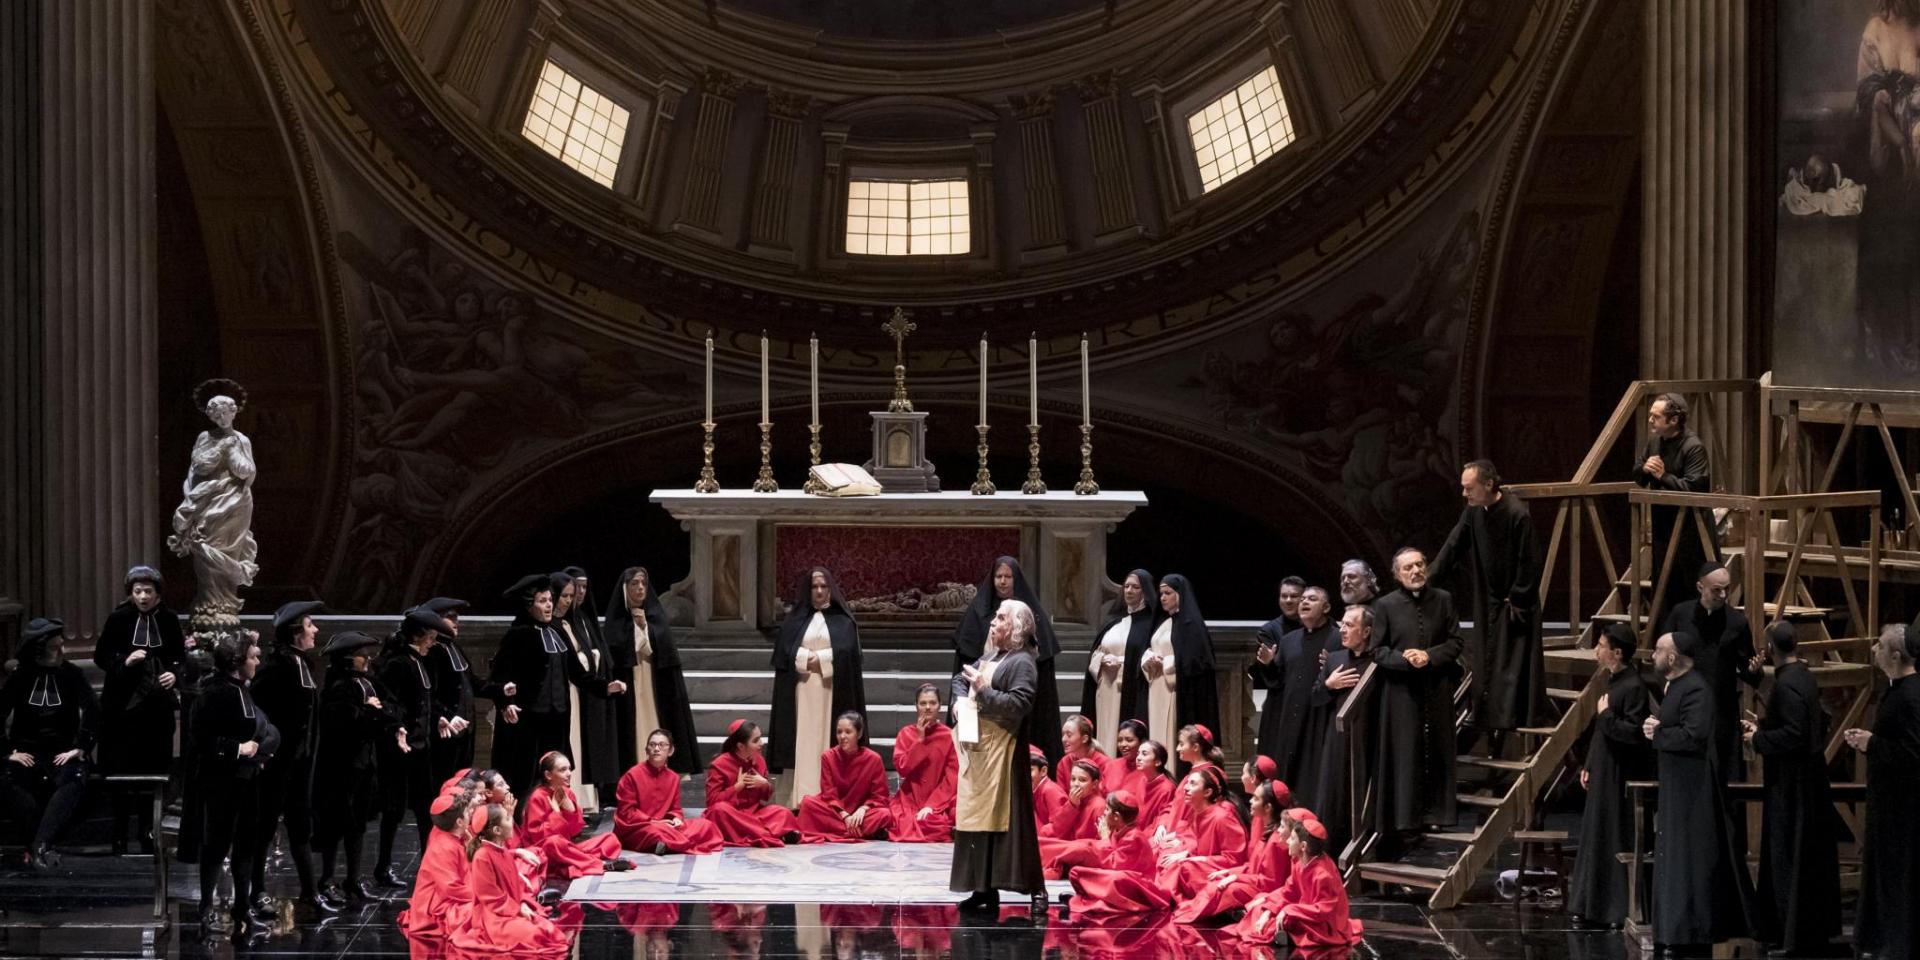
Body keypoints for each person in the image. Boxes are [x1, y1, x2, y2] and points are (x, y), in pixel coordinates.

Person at [1643, 631, 1755, 953]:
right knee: (1674, 858)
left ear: (1673, 657)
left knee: (1688, 860)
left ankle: (1689, 931)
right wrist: (1657, 728)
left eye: (1658, 650)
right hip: (1677, 786)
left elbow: (1694, 735)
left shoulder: (1697, 689)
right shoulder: (1676, 687)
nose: (1653, 655)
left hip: (1692, 790)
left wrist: (1658, 733)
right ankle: (1673, 931)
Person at [1428, 459, 1547, 743]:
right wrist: (1428, 579)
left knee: (1512, 661)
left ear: (1489, 484)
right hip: (1489, 599)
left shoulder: (1517, 514)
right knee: (1487, 659)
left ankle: (1512, 717)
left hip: (1514, 601)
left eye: (1469, 488)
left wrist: (1519, 596)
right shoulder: (1473, 513)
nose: (1464, 494)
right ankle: (1487, 716)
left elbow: (1529, 561)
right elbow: (1453, 545)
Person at [1744, 621, 1839, 954]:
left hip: (1792, 786)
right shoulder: (1802, 677)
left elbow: (1796, 735)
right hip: (1803, 781)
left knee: (1789, 858)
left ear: (1770, 649)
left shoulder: (1788, 684)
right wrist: (1764, 724)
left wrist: (1758, 738)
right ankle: (1784, 932)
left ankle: (1792, 938)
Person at [949, 597, 1047, 913]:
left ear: (1017, 627)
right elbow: (958, 681)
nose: (993, 623)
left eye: (1001, 619)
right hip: (981, 754)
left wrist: (984, 690)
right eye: (995, 618)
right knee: (979, 820)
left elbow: (1020, 704)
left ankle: (1035, 889)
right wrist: (959, 701)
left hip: (1005, 753)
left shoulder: (1022, 662)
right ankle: (983, 888)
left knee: (1012, 824)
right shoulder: (992, 655)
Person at [190, 633, 279, 939]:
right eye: (253, 656)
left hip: (247, 780)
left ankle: (242, 908)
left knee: (246, 846)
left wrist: (259, 751)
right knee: (216, 845)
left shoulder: (242, 689)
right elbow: (201, 739)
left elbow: (259, 726)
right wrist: (236, 749)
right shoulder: (214, 692)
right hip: (221, 782)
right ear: (236, 662)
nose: (258, 661)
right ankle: (205, 908)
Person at [1370, 547, 1463, 838]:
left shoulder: (1443, 600)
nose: (1416, 571)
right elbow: (1377, 650)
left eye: (1420, 565)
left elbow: (1456, 642)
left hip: (1436, 686)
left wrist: (1429, 656)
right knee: (1405, 751)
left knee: (1438, 748)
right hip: (1401, 691)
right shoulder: (1385, 605)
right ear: (1397, 574)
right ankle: (1406, 817)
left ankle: (1440, 813)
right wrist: (1406, 659)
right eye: (1408, 567)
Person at [94, 565, 186, 855]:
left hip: (155, 709)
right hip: (123, 708)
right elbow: (101, 656)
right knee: (122, 772)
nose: (143, 596)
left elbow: (179, 658)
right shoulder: (119, 618)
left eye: (148, 591)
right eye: (137, 591)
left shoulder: (169, 620)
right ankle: (119, 834)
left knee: (152, 772)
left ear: (158, 594)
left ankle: (149, 832)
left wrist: (174, 674)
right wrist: (124, 660)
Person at [1567, 623, 1653, 928]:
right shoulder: (1615, 682)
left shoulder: (1634, 687)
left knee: (1613, 833)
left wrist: (1605, 717)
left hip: (1619, 775)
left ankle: (1613, 909)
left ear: (1616, 652)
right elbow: (1600, 734)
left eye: (1601, 645)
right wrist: (1588, 764)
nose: (1596, 650)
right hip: (1604, 769)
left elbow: (1632, 734)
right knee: (1597, 834)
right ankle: (1590, 905)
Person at [250, 600, 333, 914]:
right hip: (277, 763)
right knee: (266, 826)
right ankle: (257, 891)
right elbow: (257, 709)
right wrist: (269, 746)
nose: (315, 631)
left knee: (301, 826)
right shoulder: (277, 666)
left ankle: (310, 893)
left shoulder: (304, 664)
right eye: (311, 625)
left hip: (301, 762)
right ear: (297, 632)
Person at [313, 630, 403, 905]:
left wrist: (376, 711)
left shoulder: (369, 683)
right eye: (362, 656)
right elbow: (346, 726)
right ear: (348, 659)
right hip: (341, 766)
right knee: (335, 825)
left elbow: (392, 708)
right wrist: (370, 712)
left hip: (365, 764)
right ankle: (327, 880)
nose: (367, 660)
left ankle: (353, 879)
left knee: (358, 825)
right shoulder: (339, 687)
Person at [0, 619, 97, 870]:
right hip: (27, 752)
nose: (62, 653)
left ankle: (40, 845)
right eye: (56, 648)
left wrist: (81, 747)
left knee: (74, 778)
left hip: (62, 751)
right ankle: (37, 844)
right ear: (40, 651)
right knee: (11, 780)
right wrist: (8, 753)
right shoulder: (20, 677)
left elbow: (93, 711)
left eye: (62, 646)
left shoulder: (71, 675)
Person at [1848, 621, 1920, 960]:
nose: (1873, 649)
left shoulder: (1908, 696)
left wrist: (1872, 743)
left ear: (1894, 654)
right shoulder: (1899, 690)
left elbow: (1912, 753)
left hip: (1901, 812)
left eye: (1878, 644)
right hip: (1891, 806)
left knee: (1897, 878)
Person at [769, 567, 867, 806]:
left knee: (827, 738)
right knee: (801, 742)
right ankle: (797, 799)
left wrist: (820, 659)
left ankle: (828, 798)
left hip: (830, 691)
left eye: (824, 586)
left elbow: (848, 654)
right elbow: (784, 652)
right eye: (815, 587)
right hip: (801, 691)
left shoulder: (844, 622)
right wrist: (805, 659)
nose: (820, 591)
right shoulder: (794, 620)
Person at [487, 574, 590, 801]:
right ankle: (522, 825)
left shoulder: (557, 632)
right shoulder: (518, 635)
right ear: (529, 605)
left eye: (550, 600)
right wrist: (506, 704)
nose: (549, 605)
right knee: (526, 776)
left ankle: (552, 825)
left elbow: (578, 673)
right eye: (542, 601)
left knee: (555, 776)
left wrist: (605, 687)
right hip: (528, 722)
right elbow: (499, 677)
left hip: (556, 720)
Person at [951, 557, 1063, 764]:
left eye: (1007, 577)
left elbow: (1020, 699)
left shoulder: (1023, 655)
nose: (1002, 581)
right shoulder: (980, 615)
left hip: (1008, 721)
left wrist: (984, 688)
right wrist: (960, 700)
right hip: (980, 716)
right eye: (998, 576)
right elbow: (962, 672)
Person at [1664, 562, 1761, 777]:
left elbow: (1748, 671)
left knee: (1722, 772)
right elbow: (1662, 654)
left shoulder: (1737, 622)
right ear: (1700, 587)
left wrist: (1753, 671)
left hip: (1721, 710)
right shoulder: (1681, 613)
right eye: (1717, 589)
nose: (1724, 594)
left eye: (1726, 588)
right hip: (1684, 707)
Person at [604, 567, 701, 776]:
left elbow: (662, 649)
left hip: (653, 681)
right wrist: (633, 629)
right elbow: (616, 649)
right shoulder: (616, 623)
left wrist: (644, 627)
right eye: (634, 584)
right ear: (624, 588)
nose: (640, 588)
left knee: (656, 718)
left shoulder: (656, 617)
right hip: (630, 682)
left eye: (643, 584)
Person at [448, 803, 571, 957]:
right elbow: (491, 897)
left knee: (553, 933)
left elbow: (514, 889)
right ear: (497, 830)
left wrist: (522, 904)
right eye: (507, 818)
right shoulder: (482, 856)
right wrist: (517, 909)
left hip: (511, 909)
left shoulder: (503, 852)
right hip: (494, 918)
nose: (511, 820)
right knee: (536, 936)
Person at [375, 607, 441, 888]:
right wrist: (399, 727)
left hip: (420, 745)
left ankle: (432, 862)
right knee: (394, 809)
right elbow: (391, 702)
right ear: (418, 636)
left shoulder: (418, 661)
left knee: (426, 805)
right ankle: (383, 866)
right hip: (400, 748)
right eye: (431, 638)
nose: (433, 643)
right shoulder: (399, 663)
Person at [547, 572, 624, 811]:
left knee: (576, 746)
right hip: (555, 695)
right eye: (564, 595)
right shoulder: (549, 627)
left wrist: (604, 686)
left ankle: (579, 802)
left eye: (571, 595)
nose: (568, 600)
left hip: (576, 692)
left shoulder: (572, 622)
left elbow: (577, 667)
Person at [1633, 393, 1711, 629]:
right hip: (1662, 524)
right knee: (1662, 581)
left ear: (1674, 420)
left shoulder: (1693, 446)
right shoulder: (1655, 442)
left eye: (1655, 416)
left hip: (1690, 528)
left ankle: (1689, 637)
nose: (1650, 420)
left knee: (1686, 581)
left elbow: (1693, 487)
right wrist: (1645, 470)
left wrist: (1662, 476)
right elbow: (1638, 475)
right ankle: (1661, 637)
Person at [1250, 585, 1337, 795]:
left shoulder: (1337, 639)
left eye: (1312, 599)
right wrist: (1269, 664)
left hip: (1319, 717)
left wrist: (1333, 663)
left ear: (1326, 607)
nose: (1304, 602)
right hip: (1290, 717)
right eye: (1303, 599)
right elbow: (1278, 682)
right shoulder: (1288, 641)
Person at [1172, 779, 1290, 923]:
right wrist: (1229, 873)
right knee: (1215, 880)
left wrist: (1235, 877)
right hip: (1252, 881)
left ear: (1268, 807)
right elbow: (1253, 866)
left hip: (1264, 889)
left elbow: (1270, 882)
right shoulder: (1267, 831)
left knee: (1224, 889)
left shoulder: (1276, 841)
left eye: (1256, 798)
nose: (1251, 801)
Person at [1237, 817, 1364, 948]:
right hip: (1305, 909)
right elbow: (1289, 891)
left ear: (1303, 846)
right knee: (1263, 908)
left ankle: (1283, 934)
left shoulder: (1323, 875)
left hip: (1325, 924)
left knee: (1284, 921)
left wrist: (1289, 910)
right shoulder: (1299, 862)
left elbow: (1322, 911)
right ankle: (1281, 933)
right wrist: (1271, 910)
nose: (1287, 841)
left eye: (1292, 838)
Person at [518, 751, 628, 878]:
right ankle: (599, 864)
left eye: (569, 769)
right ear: (548, 775)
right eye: (563, 770)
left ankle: (577, 860)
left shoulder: (568, 793)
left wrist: (571, 810)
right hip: (545, 850)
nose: (569, 774)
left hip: (566, 848)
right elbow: (538, 838)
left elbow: (575, 832)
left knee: (610, 839)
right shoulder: (537, 797)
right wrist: (556, 814)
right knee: (554, 843)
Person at [613, 729, 724, 855]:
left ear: (670, 751)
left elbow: (675, 809)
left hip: (665, 826)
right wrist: (652, 821)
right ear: (646, 750)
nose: (656, 749)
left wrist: (676, 819)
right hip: (639, 827)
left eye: (661, 745)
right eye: (652, 745)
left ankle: (670, 843)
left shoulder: (673, 777)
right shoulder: (631, 776)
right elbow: (626, 813)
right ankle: (671, 842)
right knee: (655, 832)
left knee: (706, 825)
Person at [1083, 570, 1159, 753]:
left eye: (1135, 587)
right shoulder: (1113, 622)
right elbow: (1095, 654)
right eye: (1126, 586)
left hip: (1132, 691)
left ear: (1145, 591)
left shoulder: (1152, 624)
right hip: (1107, 690)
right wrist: (1102, 660)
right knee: (1106, 734)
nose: (1129, 591)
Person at [1063, 790, 1167, 919]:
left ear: (1116, 816)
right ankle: (1088, 893)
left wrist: (1105, 839)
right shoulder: (1120, 829)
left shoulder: (1134, 837)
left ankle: (1089, 894)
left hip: (1138, 886)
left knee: (1114, 878)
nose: (1104, 813)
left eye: (1107, 810)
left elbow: (1114, 865)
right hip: (1124, 878)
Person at [1146, 574, 1219, 754]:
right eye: (1161, 593)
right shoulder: (1165, 623)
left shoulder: (1190, 624)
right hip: (1157, 688)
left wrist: (1167, 662)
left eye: (1168, 593)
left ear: (1180, 594)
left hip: (1177, 690)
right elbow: (1152, 647)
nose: (1162, 597)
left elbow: (1194, 662)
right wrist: (1148, 659)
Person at [797, 711, 893, 843]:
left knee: (885, 814)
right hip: (836, 812)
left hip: (861, 814)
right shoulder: (828, 757)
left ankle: (841, 830)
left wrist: (863, 809)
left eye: (848, 732)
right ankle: (858, 832)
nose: (842, 736)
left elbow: (880, 795)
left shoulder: (874, 759)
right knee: (808, 803)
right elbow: (828, 794)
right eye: (839, 732)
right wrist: (845, 816)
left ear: (859, 734)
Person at [703, 720, 799, 847]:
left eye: (760, 738)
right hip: (732, 816)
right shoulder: (719, 764)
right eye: (755, 741)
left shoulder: (759, 760)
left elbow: (766, 797)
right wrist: (737, 787)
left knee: (783, 812)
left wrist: (765, 784)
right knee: (719, 810)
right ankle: (769, 834)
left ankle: (755, 832)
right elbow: (712, 801)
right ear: (741, 746)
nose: (761, 743)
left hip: (754, 815)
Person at [420, 597, 484, 784]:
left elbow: (471, 682)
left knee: (463, 782)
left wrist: (501, 689)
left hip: (465, 731)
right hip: (445, 731)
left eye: (457, 618)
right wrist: (446, 715)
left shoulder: (454, 647)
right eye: (451, 617)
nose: (456, 622)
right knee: (444, 782)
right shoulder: (433, 652)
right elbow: (428, 694)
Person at [397, 790, 475, 941]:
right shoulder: (443, 847)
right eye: (467, 812)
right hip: (436, 906)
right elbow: (451, 887)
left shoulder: (455, 837)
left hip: (452, 893)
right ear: (459, 822)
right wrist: (480, 896)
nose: (471, 814)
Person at [888, 684, 958, 843]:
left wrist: (932, 805)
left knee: (933, 822)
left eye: (933, 703)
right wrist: (919, 740)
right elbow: (903, 770)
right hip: (910, 798)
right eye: (923, 703)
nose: (928, 707)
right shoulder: (905, 733)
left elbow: (951, 778)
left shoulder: (949, 736)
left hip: (938, 798)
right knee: (896, 820)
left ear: (940, 706)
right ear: (916, 706)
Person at [1055, 714, 1107, 789]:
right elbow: (1061, 796)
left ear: (1084, 739)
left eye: (1069, 735)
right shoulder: (1064, 763)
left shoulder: (1104, 763)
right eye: (1063, 734)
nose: (1064, 739)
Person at [1029, 747, 1068, 829]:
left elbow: (1058, 826)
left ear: (1043, 771)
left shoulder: (1051, 790)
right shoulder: (1034, 789)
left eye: (1030, 770)